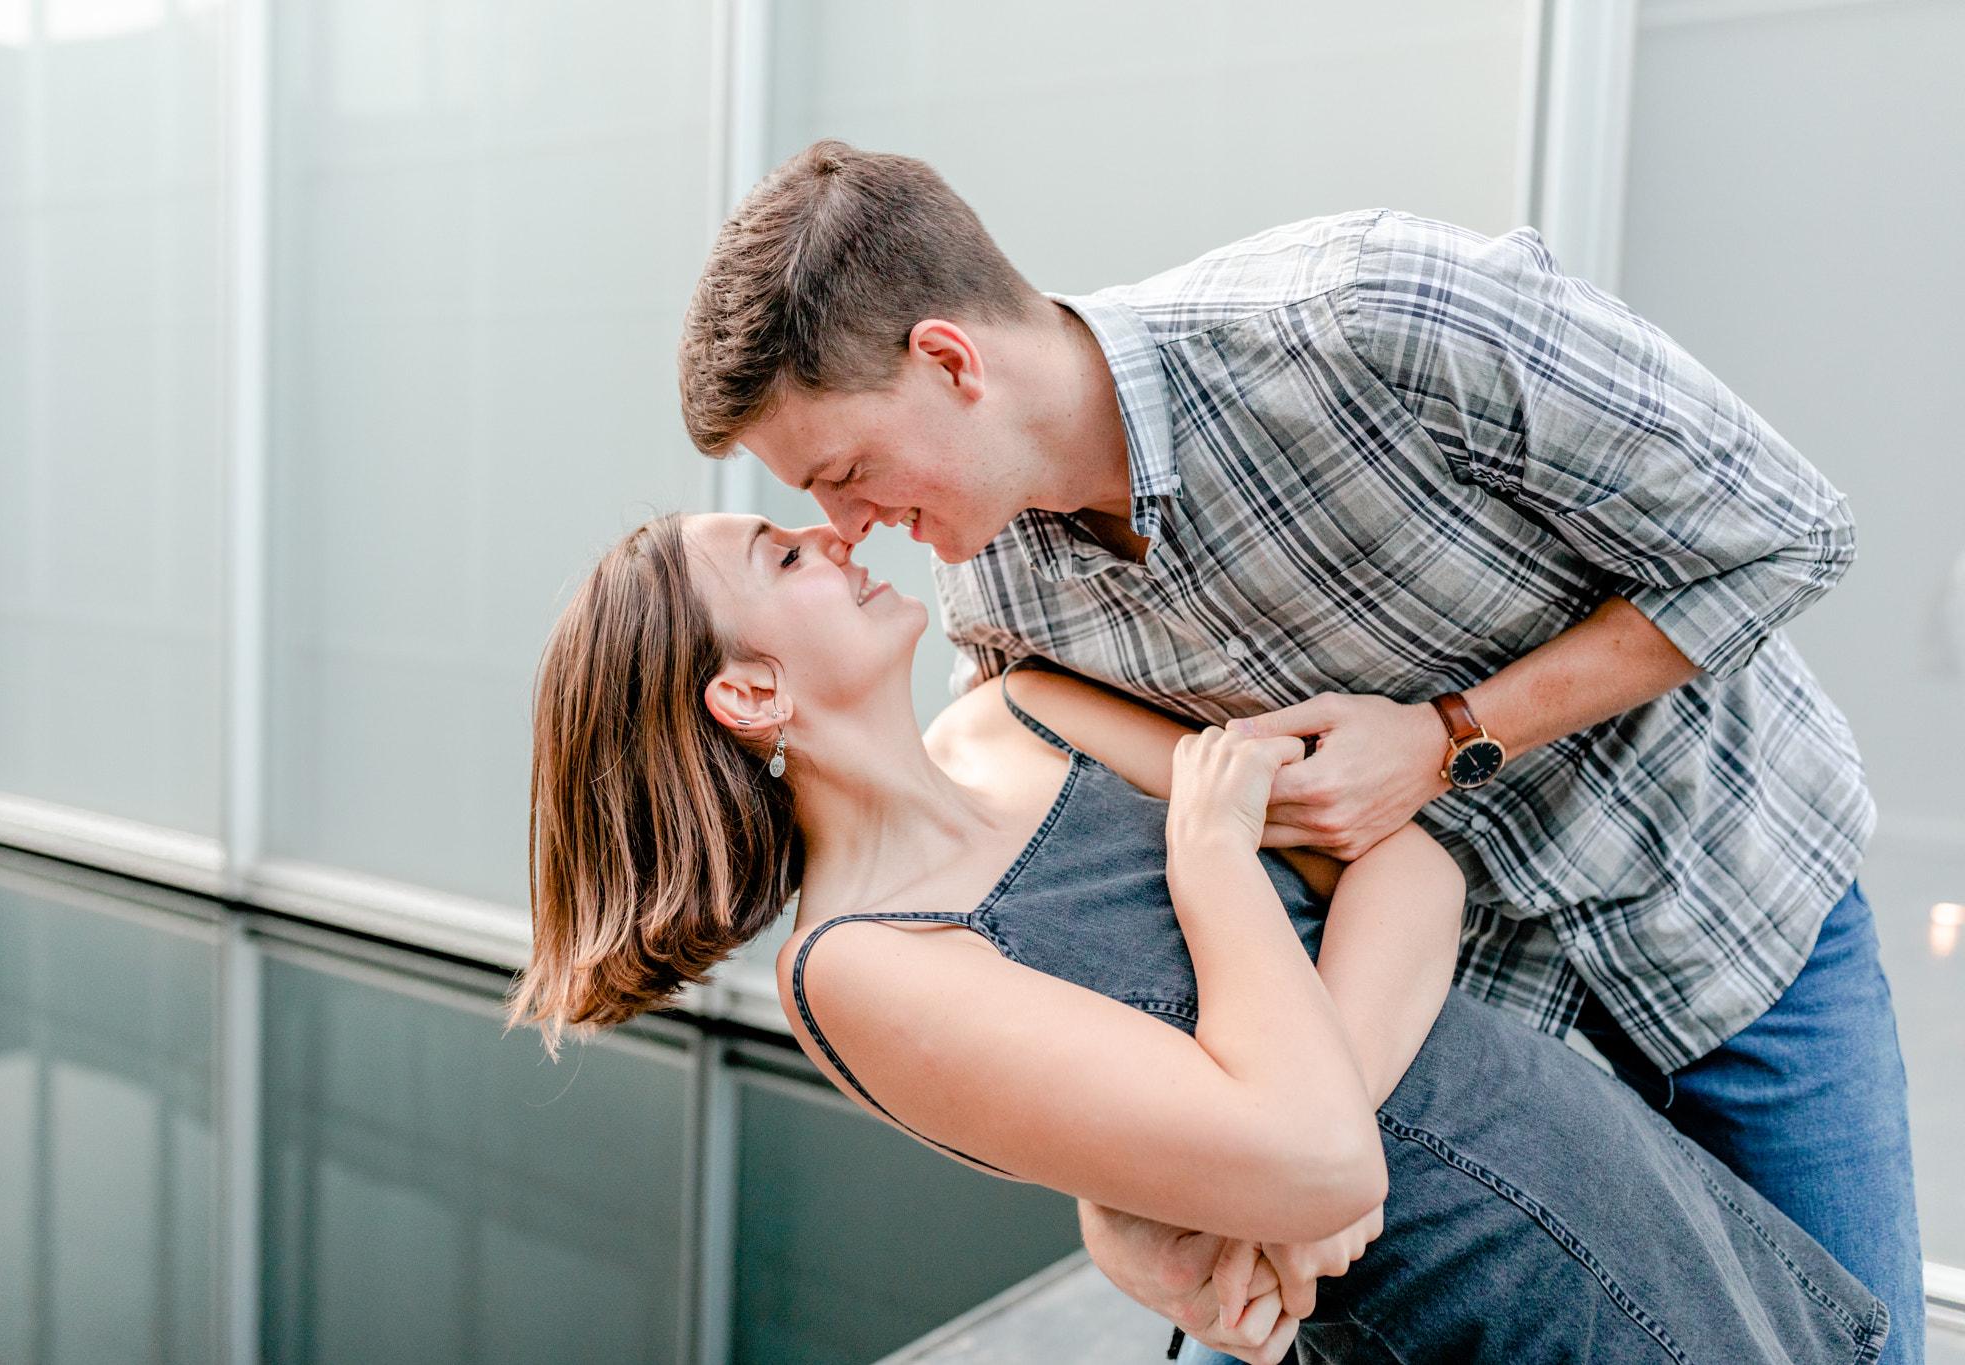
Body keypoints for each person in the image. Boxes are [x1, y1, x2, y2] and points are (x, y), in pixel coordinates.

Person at [674, 143, 1923, 1362]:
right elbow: (1074, 1001)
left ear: (947, 360)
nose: (847, 530)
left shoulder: (1372, 316)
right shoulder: (991, 603)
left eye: (844, 474)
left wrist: (1448, 741)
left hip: (1727, 930)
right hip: (1426, 1046)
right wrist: (1139, 1219)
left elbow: (1784, 534)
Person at [512, 512, 1887, 1364]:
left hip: (1592, 1163)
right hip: (1478, 1298)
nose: (837, 540)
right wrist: (1217, 857)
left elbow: (1413, 863)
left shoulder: (1015, 715)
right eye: (785, 557)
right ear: (750, 690)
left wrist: (1290, 1189)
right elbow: (1308, 1151)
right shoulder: (859, 963)